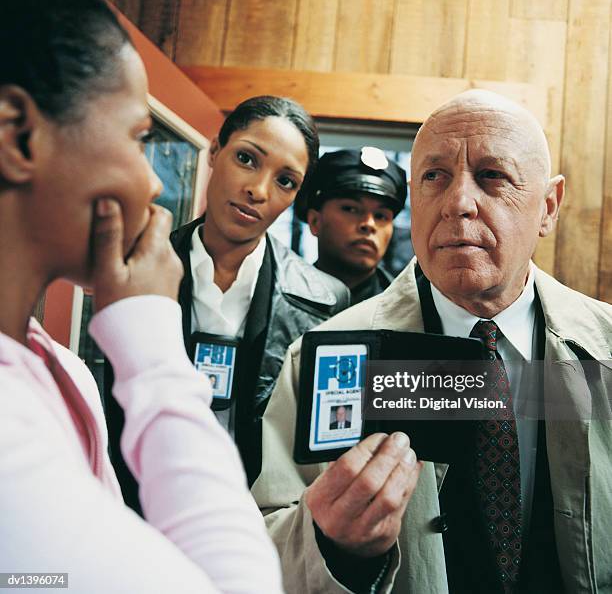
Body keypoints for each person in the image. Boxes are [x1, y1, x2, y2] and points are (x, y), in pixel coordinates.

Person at [252, 90, 612, 593]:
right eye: (434, 177)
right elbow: (261, 547)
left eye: (492, 176)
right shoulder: (329, 356)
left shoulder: (606, 352)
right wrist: (334, 546)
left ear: (548, 207)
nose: (459, 203)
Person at [0, 0, 283, 592]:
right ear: (19, 135)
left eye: (288, 180)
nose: (153, 183)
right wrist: (150, 342)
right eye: (136, 138)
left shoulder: (62, 370)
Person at [169, 96, 351, 486]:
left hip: (256, 517)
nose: (258, 190)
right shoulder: (138, 267)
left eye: (286, 181)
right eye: (247, 159)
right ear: (215, 151)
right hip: (139, 508)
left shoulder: (325, 301)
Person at [295, 147, 407, 304]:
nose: (368, 224)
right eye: (351, 209)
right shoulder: (277, 298)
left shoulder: (410, 310)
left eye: (380, 216)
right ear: (315, 222)